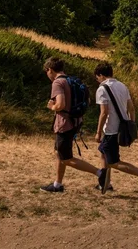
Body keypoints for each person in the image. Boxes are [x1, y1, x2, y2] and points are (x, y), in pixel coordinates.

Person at [40, 57, 103, 193]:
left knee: (67, 158)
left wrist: (52, 107)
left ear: (50, 69)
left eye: (47, 72)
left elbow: (60, 104)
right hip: (75, 120)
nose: (47, 75)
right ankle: (57, 184)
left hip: (65, 124)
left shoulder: (58, 83)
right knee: (60, 153)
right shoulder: (71, 81)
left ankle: (100, 173)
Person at [94, 62, 138, 195]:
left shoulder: (102, 89)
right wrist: (131, 124)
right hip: (122, 128)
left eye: (97, 77)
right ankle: (105, 183)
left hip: (111, 129)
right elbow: (131, 108)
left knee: (114, 162)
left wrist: (98, 132)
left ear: (100, 75)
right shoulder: (122, 86)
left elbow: (104, 112)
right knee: (103, 152)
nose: (97, 80)